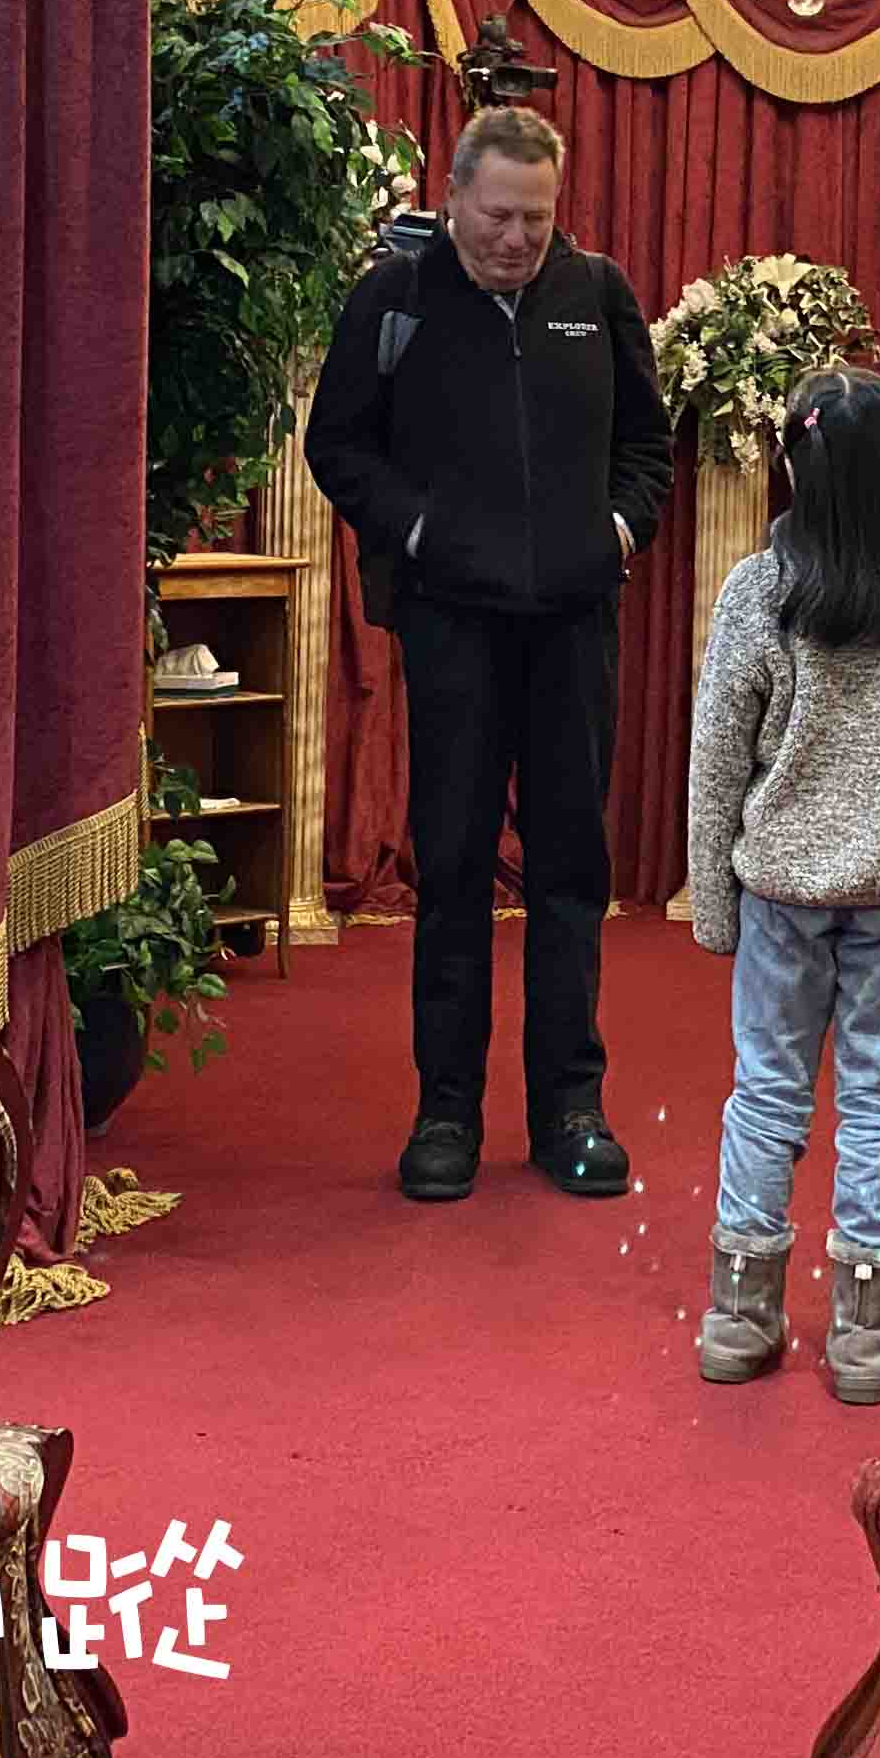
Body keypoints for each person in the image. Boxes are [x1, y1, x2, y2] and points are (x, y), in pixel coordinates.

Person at [304, 107, 670, 1203]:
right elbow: (337, 445)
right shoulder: (395, 299)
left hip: (573, 625)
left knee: (571, 871)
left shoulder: (597, 295)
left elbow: (647, 447)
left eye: (537, 219)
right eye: (499, 216)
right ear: (455, 197)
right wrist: (420, 531)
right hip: (451, 624)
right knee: (455, 868)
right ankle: (447, 1113)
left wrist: (618, 531)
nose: (517, 240)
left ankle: (571, 1108)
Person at [684, 368, 880, 1405]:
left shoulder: (757, 591)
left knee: (767, 1089)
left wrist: (712, 899)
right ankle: (867, 1333)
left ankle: (740, 1316)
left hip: (781, 891)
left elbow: (717, 759)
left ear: (797, 468)